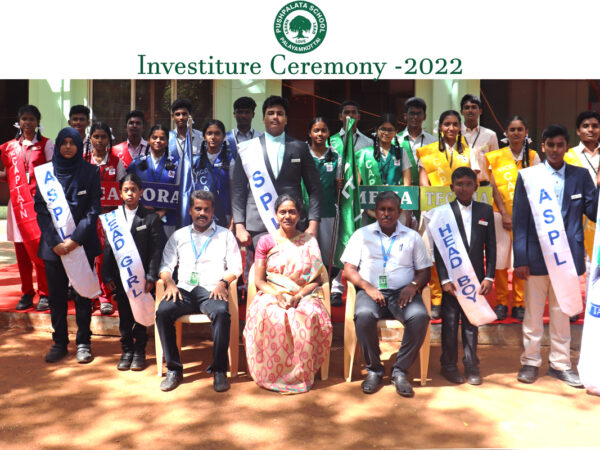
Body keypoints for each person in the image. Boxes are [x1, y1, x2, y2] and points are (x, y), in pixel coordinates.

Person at [513, 124, 599, 388]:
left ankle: (560, 364)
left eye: (560, 145)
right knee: (533, 314)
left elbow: (593, 212)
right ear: (543, 146)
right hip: (535, 257)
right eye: (550, 145)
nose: (555, 149)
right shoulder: (529, 176)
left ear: (566, 148)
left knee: (562, 314)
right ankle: (530, 361)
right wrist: (521, 259)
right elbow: (520, 220)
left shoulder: (580, 176)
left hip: (567, 257)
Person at [341, 191, 432, 397]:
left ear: (399, 212)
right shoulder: (361, 235)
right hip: (370, 291)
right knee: (363, 315)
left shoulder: (412, 237)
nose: (386, 214)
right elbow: (349, 269)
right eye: (382, 209)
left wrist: (413, 285)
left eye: (391, 210)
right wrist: (366, 286)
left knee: (420, 316)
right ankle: (374, 369)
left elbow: (425, 271)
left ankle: (400, 371)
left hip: (402, 293)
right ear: (375, 211)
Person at [244, 194, 332, 393]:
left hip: (304, 293)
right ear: (276, 215)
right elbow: (259, 280)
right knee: (271, 314)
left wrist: (299, 296)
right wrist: (277, 295)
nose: (287, 216)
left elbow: (317, 279)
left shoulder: (309, 241)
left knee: (308, 314)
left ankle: (300, 374)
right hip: (272, 292)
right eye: (282, 212)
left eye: (292, 212)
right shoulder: (266, 241)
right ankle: (271, 374)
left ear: (299, 215)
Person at [155, 190, 242, 392]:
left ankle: (219, 370)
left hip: (212, 289)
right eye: (198, 208)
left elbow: (236, 266)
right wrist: (169, 282)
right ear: (190, 210)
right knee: (163, 312)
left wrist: (223, 283)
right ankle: (174, 370)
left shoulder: (225, 235)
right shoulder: (179, 235)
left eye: (206, 209)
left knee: (221, 312)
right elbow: (165, 266)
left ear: (212, 211)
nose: (202, 213)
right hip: (184, 290)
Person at [34, 127, 102, 364]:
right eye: (63, 143)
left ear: (79, 145)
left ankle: (84, 342)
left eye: (72, 142)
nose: (68, 147)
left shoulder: (91, 172)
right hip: (53, 248)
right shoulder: (45, 173)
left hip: (82, 244)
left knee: (83, 296)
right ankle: (59, 342)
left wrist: (74, 240)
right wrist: (55, 242)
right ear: (58, 146)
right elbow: (41, 210)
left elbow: (93, 210)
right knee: (57, 298)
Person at [232, 95, 322, 249]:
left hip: (293, 223)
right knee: (260, 265)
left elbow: (315, 189)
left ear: (286, 119)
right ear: (263, 118)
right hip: (258, 225)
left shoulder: (300, 147)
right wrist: (239, 225)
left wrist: (313, 224)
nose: (275, 117)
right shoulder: (248, 149)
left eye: (280, 114)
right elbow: (238, 189)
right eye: (271, 113)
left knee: (293, 265)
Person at [432, 167, 496, 385]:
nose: (464, 188)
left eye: (468, 184)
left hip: (475, 279)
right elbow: (439, 250)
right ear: (452, 187)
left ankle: (471, 364)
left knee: (471, 322)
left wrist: (489, 276)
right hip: (452, 281)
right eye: (459, 184)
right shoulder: (443, 213)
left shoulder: (485, 211)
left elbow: (491, 246)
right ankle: (448, 365)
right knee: (450, 323)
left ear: (476, 187)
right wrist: (444, 279)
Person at [418, 110, 479, 319]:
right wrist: (433, 205)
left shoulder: (469, 151)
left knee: (460, 254)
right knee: (436, 257)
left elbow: (475, 180)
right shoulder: (428, 151)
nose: (451, 128)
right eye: (446, 124)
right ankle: (437, 299)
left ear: (460, 127)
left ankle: (461, 296)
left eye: (454, 124)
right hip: (435, 212)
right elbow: (423, 181)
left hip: (462, 211)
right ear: (440, 127)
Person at [102, 174, 164, 371]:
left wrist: (151, 276)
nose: (130, 193)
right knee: (125, 316)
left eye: (134, 190)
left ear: (141, 192)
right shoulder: (113, 218)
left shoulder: (151, 218)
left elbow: (156, 251)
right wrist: (107, 275)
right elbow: (108, 248)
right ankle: (127, 350)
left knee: (140, 313)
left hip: (142, 277)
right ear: (120, 193)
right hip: (121, 277)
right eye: (126, 190)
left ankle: (139, 351)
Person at [486, 116, 540, 322]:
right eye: (512, 129)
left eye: (520, 129)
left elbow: (536, 187)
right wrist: (505, 213)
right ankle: (501, 302)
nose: (516, 133)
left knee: (520, 259)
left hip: (525, 217)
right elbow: (492, 187)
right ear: (506, 133)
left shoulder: (533, 156)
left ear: (526, 132)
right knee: (500, 261)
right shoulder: (495, 157)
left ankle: (519, 303)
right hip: (499, 215)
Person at [0, 105, 53, 311]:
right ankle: (26, 292)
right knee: (21, 252)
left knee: (40, 250)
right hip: (17, 205)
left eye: (31, 119)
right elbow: (8, 175)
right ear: (19, 122)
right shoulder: (10, 148)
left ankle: (45, 293)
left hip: (38, 207)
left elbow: (52, 175)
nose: (28, 123)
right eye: (24, 119)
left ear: (38, 122)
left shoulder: (46, 145)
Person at [85, 121, 126, 315]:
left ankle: (104, 297)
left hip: (109, 219)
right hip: (86, 219)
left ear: (109, 139)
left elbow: (122, 190)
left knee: (103, 258)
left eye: (103, 137)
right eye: (96, 137)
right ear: (90, 138)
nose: (100, 140)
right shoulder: (83, 160)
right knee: (87, 257)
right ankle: (87, 296)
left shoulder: (117, 163)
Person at [305, 117, 344, 306]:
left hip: (329, 210)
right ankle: (310, 288)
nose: (320, 134)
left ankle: (334, 289)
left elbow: (341, 182)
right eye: (316, 130)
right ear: (309, 133)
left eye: (323, 130)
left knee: (330, 252)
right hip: (306, 212)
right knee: (309, 251)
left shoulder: (336, 156)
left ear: (329, 133)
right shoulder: (303, 153)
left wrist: (341, 183)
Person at [127, 124, 178, 238]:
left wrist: (163, 212)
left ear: (167, 142)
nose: (158, 141)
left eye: (162, 138)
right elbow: (127, 188)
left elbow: (180, 192)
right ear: (148, 140)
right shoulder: (137, 163)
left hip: (167, 219)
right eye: (154, 137)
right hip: (141, 217)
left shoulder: (176, 164)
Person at [193, 119, 235, 228]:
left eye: (217, 133)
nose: (213, 137)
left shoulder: (230, 161)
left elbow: (233, 192)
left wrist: (233, 219)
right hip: (200, 211)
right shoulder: (196, 161)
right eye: (209, 133)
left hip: (224, 212)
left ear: (223, 136)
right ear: (204, 136)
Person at [356, 113, 412, 188]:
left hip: (395, 194)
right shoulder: (365, 154)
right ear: (376, 130)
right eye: (383, 129)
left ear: (396, 132)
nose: (386, 133)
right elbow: (356, 183)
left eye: (390, 130)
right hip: (371, 195)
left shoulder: (402, 152)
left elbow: (407, 184)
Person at [460, 94, 499, 184]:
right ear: (461, 112)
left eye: (474, 107)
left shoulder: (490, 135)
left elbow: (495, 164)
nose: (470, 110)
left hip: (484, 185)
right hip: (459, 185)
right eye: (467, 108)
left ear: (480, 111)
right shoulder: (456, 133)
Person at [397, 97, 436, 186]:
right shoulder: (396, 140)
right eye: (412, 113)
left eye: (419, 114)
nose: (415, 117)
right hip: (403, 189)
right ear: (405, 116)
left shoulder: (433, 141)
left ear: (424, 116)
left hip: (426, 189)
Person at [168, 98, 203, 183]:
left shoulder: (200, 137)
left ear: (191, 115)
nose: (181, 117)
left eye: (184, 114)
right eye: (177, 114)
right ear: (172, 117)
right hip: (173, 183)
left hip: (195, 184)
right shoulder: (168, 137)